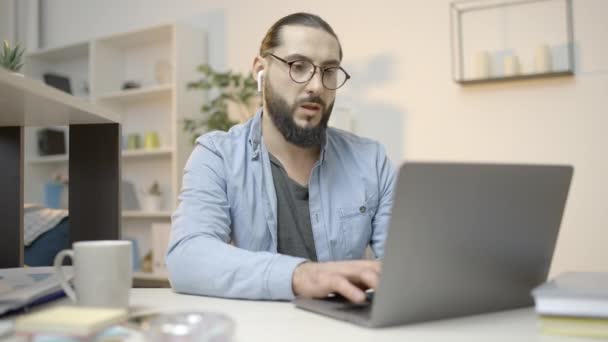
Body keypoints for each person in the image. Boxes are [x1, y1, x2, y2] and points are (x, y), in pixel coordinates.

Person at [168, 12, 396, 303]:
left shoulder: (371, 160)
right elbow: (186, 258)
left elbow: (403, 264)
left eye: (328, 71)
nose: (316, 85)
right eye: (298, 66)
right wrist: (301, 275)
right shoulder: (217, 156)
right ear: (259, 70)